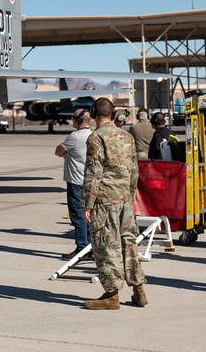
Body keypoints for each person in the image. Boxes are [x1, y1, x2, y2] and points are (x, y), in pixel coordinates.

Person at [81, 97, 147, 310]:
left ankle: (111, 295)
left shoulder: (96, 138)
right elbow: (134, 170)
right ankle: (139, 291)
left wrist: (87, 203)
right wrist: (129, 196)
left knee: (106, 246)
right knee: (129, 243)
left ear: (93, 112)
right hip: (124, 200)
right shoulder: (126, 136)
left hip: (105, 201)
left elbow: (93, 173)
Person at [55, 109, 93, 260]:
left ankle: (82, 247)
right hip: (90, 180)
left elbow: (58, 150)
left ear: (80, 120)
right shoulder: (93, 134)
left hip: (76, 181)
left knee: (77, 215)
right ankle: (90, 247)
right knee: (90, 215)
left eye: (74, 118)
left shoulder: (75, 136)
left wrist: (65, 155)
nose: (72, 120)